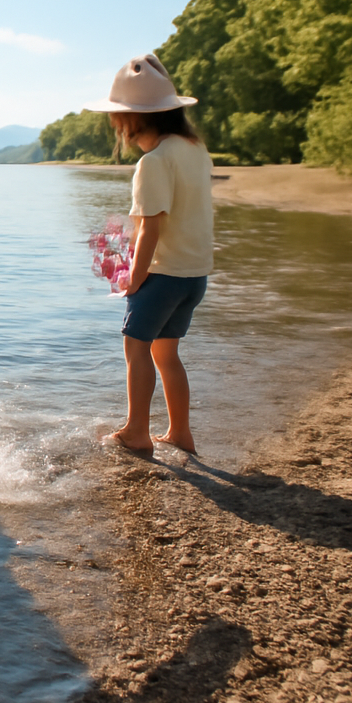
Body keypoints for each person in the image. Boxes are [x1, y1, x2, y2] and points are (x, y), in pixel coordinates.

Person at [85, 54, 213, 456]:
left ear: (131, 120)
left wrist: (134, 278)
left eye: (117, 118)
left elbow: (151, 229)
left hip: (162, 277)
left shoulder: (152, 162)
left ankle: (136, 431)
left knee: (136, 348)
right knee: (166, 354)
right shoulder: (194, 149)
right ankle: (180, 433)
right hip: (194, 275)